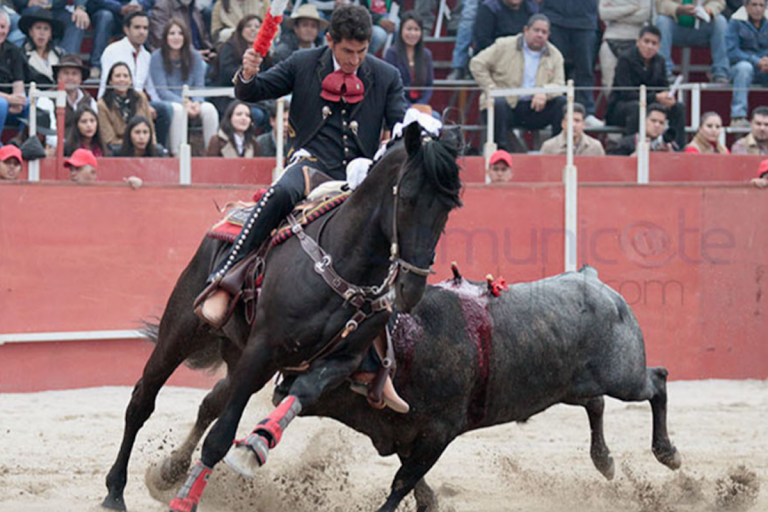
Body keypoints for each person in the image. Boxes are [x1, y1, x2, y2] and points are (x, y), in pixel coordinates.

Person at [195, 4, 408, 411]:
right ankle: (226, 281)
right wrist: (248, 71)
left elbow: (399, 128)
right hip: (311, 166)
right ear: (330, 41)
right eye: (348, 52)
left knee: (394, 251)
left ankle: (378, 366)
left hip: (358, 180)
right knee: (276, 196)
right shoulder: (303, 62)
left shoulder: (385, 75)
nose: (355, 61)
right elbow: (250, 92)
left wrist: (390, 150)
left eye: (362, 52)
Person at [470, 14, 566, 152]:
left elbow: (559, 84)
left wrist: (544, 91)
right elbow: (476, 63)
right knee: (498, 104)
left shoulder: (555, 54)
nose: (540, 35)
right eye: (536, 30)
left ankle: (558, 150)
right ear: (526, 30)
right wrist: (492, 89)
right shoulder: (504, 45)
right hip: (506, 105)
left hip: (535, 107)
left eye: (544, 32)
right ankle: (500, 154)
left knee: (562, 103)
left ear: (548, 35)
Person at [98, 11, 173, 149]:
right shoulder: (112, 50)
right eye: (137, 27)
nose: (142, 32)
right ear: (126, 30)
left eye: (145, 28)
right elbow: (106, 84)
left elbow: (151, 88)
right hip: (115, 100)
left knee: (165, 109)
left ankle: (158, 150)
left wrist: (150, 104)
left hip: (138, 100)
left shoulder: (146, 56)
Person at [606, 25, 687, 149]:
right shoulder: (625, 59)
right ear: (638, 42)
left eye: (654, 43)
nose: (649, 46)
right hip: (622, 106)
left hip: (652, 105)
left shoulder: (660, 61)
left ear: (658, 46)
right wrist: (655, 97)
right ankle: (632, 149)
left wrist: (667, 98)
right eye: (646, 41)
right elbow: (625, 93)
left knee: (678, 108)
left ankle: (677, 148)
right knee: (636, 108)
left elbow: (663, 87)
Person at [150, 18, 219, 155]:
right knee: (178, 110)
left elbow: (199, 86)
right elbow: (162, 90)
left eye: (180, 33)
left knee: (209, 109)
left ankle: (211, 153)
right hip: (170, 101)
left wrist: (198, 102)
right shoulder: (157, 57)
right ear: (165, 37)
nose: (176, 37)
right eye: (172, 33)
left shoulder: (195, 56)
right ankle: (177, 153)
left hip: (193, 101)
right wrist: (185, 103)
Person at [540, 0, 602, 126]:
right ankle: (551, 113)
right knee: (554, 69)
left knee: (585, 70)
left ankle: (587, 113)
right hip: (554, 17)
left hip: (585, 19)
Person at [655, 0, 729, 83]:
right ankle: (664, 72)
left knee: (720, 22)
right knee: (662, 21)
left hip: (701, 28)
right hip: (675, 28)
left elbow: (719, 2)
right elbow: (660, 3)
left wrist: (707, 11)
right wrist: (678, 9)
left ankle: (720, 72)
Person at [84, 0, 152, 79]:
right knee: (105, 16)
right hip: (111, 11)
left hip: (136, 11)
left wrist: (141, 5)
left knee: (149, 16)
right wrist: (119, 8)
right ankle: (96, 65)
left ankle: (149, 61)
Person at [726, 0, 768, 127]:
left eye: (761, 5)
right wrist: (757, 61)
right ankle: (738, 117)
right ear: (746, 6)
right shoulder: (735, 21)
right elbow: (732, 51)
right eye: (754, 5)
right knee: (745, 68)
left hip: (764, 67)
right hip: (738, 68)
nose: (758, 9)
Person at [98, 61, 156, 150]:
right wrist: (133, 145)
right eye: (118, 76)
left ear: (130, 80)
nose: (122, 79)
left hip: (144, 146)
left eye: (125, 76)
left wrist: (152, 146)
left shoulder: (141, 97)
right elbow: (108, 139)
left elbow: (150, 128)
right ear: (110, 81)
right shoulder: (102, 104)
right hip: (119, 148)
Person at [598, 0, 653, 94]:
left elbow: (644, 15)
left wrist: (615, 14)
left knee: (637, 84)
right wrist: (631, 8)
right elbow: (603, 14)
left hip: (636, 40)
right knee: (609, 85)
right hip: (610, 40)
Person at [384, 11, 434, 109]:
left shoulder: (426, 55)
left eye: (416, 29)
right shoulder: (392, 54)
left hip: (420, 106)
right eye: (409, 29)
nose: (412, 33)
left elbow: (429, 85)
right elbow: (390, 87)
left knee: (436, 118)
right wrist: (410, 107)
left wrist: (420, 104)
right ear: (401, 30)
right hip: (399, 106)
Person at [13, 0, 88, 55]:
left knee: (77, 21)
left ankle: (66, 60)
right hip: (34, 9)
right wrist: (27, 2)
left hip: (57, 10)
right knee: (38, 18)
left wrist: (79, 8)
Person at [149, 0, 214, 62]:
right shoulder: (162, 8)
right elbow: (160, 41)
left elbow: (204, 37)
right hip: (177, 61)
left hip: (201, 56)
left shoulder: (193, 7)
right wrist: (192, 55)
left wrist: (211, 51)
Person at [0, 8, 29, 140]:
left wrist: (17, 101)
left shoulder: (14, 51)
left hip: (9, 105)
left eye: (2, 27)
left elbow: (19, 84)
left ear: (8, 28)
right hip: (3, 103)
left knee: (31, 103)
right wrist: (8, 99)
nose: (0, 31)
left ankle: (20, 142)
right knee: (1, 104)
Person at [540, 102, 605, 156]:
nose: (573, 125)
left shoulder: (595, 147)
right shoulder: (549, 147)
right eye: (570, 121)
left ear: (583, 124)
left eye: (577, 121)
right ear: (563, 124)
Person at [19, 10, 65, 86]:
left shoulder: (60, 54)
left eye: (46, 29)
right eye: (38, 28)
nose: (42, 33)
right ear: (30, 32)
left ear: (50, 34)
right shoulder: (21, 55)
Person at [474, 0, 539, 54]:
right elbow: (482, 41)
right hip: (494, 56)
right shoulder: (489, 8)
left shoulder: (531, 8)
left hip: (524, 56)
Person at [53, 54, 97, 130]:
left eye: (74, 74)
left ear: (81, 78)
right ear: (58, 77)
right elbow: (49, 136)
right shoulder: (47, 99)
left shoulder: (90, 101)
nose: (70, 78)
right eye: (66, 73)